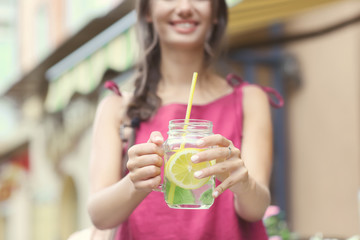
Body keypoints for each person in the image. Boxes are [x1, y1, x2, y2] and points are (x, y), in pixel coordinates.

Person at [87, 0, 283, 239]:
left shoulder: (249, 100)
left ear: (215, 12)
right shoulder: (117, 108)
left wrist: (244, 184)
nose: (184, 7)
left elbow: (255, 209)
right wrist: (135, 182)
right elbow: (99, 215)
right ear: (148, 11)